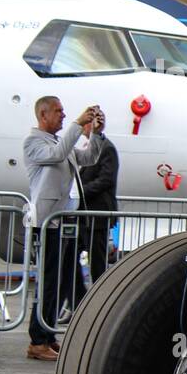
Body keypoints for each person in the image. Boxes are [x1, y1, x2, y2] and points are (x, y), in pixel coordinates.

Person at [24, 96, 104, 360]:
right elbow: (56, 156)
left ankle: (47, 336)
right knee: (48, 281)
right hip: (47, 221)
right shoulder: (34, 142)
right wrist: (77, 124)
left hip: (65, 220)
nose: (62, 114)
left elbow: (89, 158)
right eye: (58, 111)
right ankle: (37, 340)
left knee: (61, 280)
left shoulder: (61, 142)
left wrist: (96, 134)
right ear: (43, 115)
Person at [77, 113, 119, 283]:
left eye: (86, 123)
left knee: (97, 261)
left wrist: (80, 192)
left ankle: (98, 294)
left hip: (97, 214)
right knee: (74, 256)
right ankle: (78, 298)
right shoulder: (87, 147)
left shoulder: (106, 147)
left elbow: (106, 179)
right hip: (85, 213)